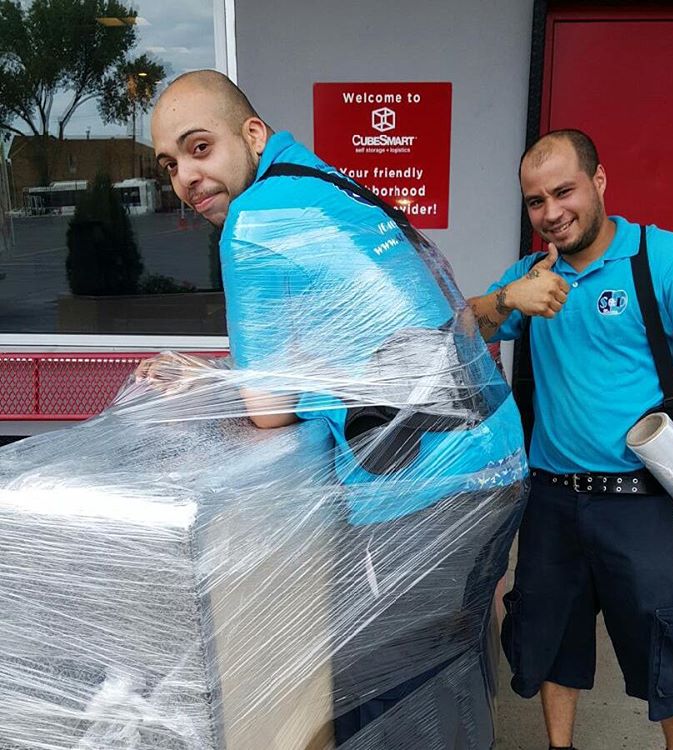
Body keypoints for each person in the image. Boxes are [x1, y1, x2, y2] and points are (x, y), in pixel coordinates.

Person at [148, 70, 528, 747]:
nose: (187, 177)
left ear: (252, 135)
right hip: (491, 458)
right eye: (170, 165)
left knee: (389, 701)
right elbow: (342, 343)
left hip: (421, 485)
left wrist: (207, 388)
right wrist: (227, 375)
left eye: (199, 147)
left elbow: (268, 410)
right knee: (453, 663)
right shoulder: (326, 183)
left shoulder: (253, 221)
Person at [468, 129, 673, 750]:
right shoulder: (531, 274)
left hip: (641, 499)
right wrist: (509, 297)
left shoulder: (664, 259)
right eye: (536, 201)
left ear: (599, 181)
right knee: (549, 630)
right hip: (552, 499)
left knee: (664, 637)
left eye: (563, 192)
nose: (551, 212)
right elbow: (459, 326)